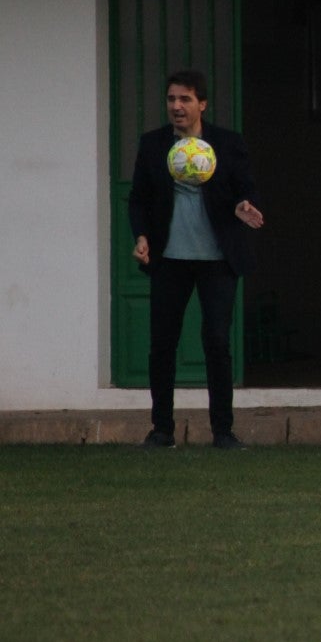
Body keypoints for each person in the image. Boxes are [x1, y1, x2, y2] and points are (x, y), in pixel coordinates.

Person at [128, 69, 265, 449]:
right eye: (171, 99)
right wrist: (141, 236)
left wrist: (243, 206)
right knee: (162, 344)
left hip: (217, 260)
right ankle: (162, 430)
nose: (177, 106)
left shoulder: (227, 143)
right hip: (170, 259)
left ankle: (223, 431)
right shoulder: (154, 144)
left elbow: (246, 189)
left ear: (201, 104)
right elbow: (138, 198)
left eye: (185, 99)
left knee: (217, 341)